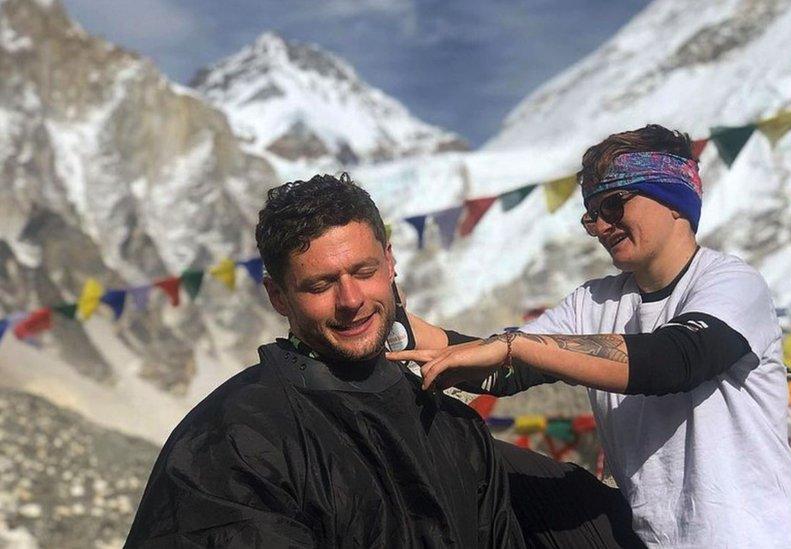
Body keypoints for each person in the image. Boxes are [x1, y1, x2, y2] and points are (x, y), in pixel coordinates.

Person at [126, 173, 641, 548]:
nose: (350, 300)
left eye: (364, 271)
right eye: (320, 284)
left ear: (390, 262)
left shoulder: (453, 428)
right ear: (278, 297)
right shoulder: (233, 440)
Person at [391, 124, 791, 548]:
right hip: (644, 539)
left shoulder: (732, 283)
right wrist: (392, 321)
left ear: (672, 198)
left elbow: (674, 361)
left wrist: (514, 345)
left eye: (613, 205)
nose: (602, 227)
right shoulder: (594, 301)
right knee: (479, 456)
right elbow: (499, 368)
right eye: (592, 216)